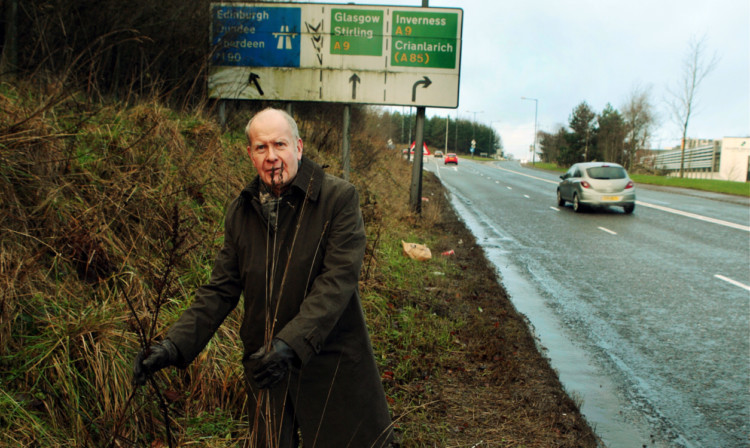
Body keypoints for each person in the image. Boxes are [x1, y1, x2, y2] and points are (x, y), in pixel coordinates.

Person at [133, 108, 394, 447]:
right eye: (261, 148)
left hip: (329, 363)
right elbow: (220, 290)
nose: (272, 157)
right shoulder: (241, 212)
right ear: (250, 154)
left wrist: (289, 345)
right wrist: (172, 346)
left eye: (280, 145)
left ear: (298, 147)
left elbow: (337, 283)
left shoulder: (337, 199)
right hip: (266, 368)